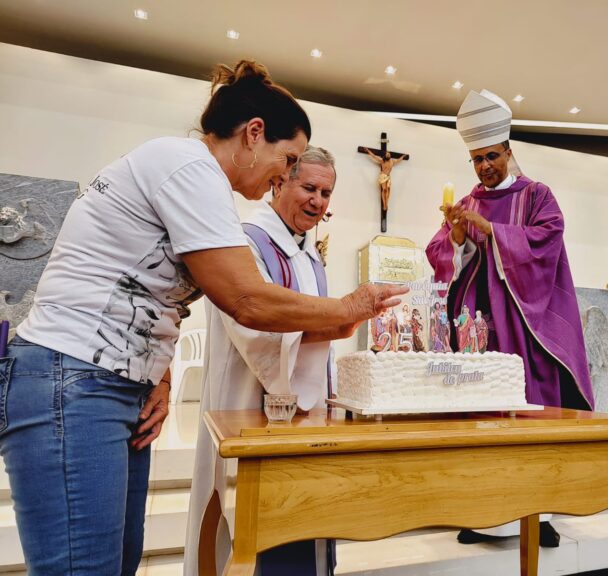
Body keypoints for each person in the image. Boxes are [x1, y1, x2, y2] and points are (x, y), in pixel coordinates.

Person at [0, 60, 404, 576]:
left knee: (114, 563)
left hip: (105, 383)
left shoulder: (194, 175)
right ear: (254, 134)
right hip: (72, 378)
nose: (288, 173)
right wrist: (352, 306)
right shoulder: (189, 165)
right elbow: (246, 300)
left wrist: (159, 372)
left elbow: (151, 289)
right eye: (290, 159)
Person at [426, 89, 594, 547]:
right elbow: (441, 255)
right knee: (482, 418)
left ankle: (535, 516)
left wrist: (492, 231)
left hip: (526, 330)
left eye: (491, 156)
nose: (484, 167)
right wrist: (458, 239)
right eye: (476, 159)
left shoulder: (537, 195)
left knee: (530, 419)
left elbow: (548, 239)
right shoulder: (467, 202)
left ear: (508, 151)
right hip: (481, 332)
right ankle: (483, 513)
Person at [185, 146, 340, 576]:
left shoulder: (308, 250)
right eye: (308, 187)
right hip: (251, 405)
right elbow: (258, 335)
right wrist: (338, 321)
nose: (318, 201)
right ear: (278, 182)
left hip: (301, 417)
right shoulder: (248, 242)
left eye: (326, 193)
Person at [361, 148, 409, 216]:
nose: (388, 155)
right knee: (384, 189)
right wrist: (368, 151)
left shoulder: (392, 162)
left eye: (389, 154)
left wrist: (403, 156)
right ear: (385, 156)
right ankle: (384, 204)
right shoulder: (382, 161)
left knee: (388, 190)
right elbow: (374, 156)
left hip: (388, 177)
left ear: (390, 156)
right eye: (387, 154)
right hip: (383, 176)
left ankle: (386, 203)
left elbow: (398, 160)